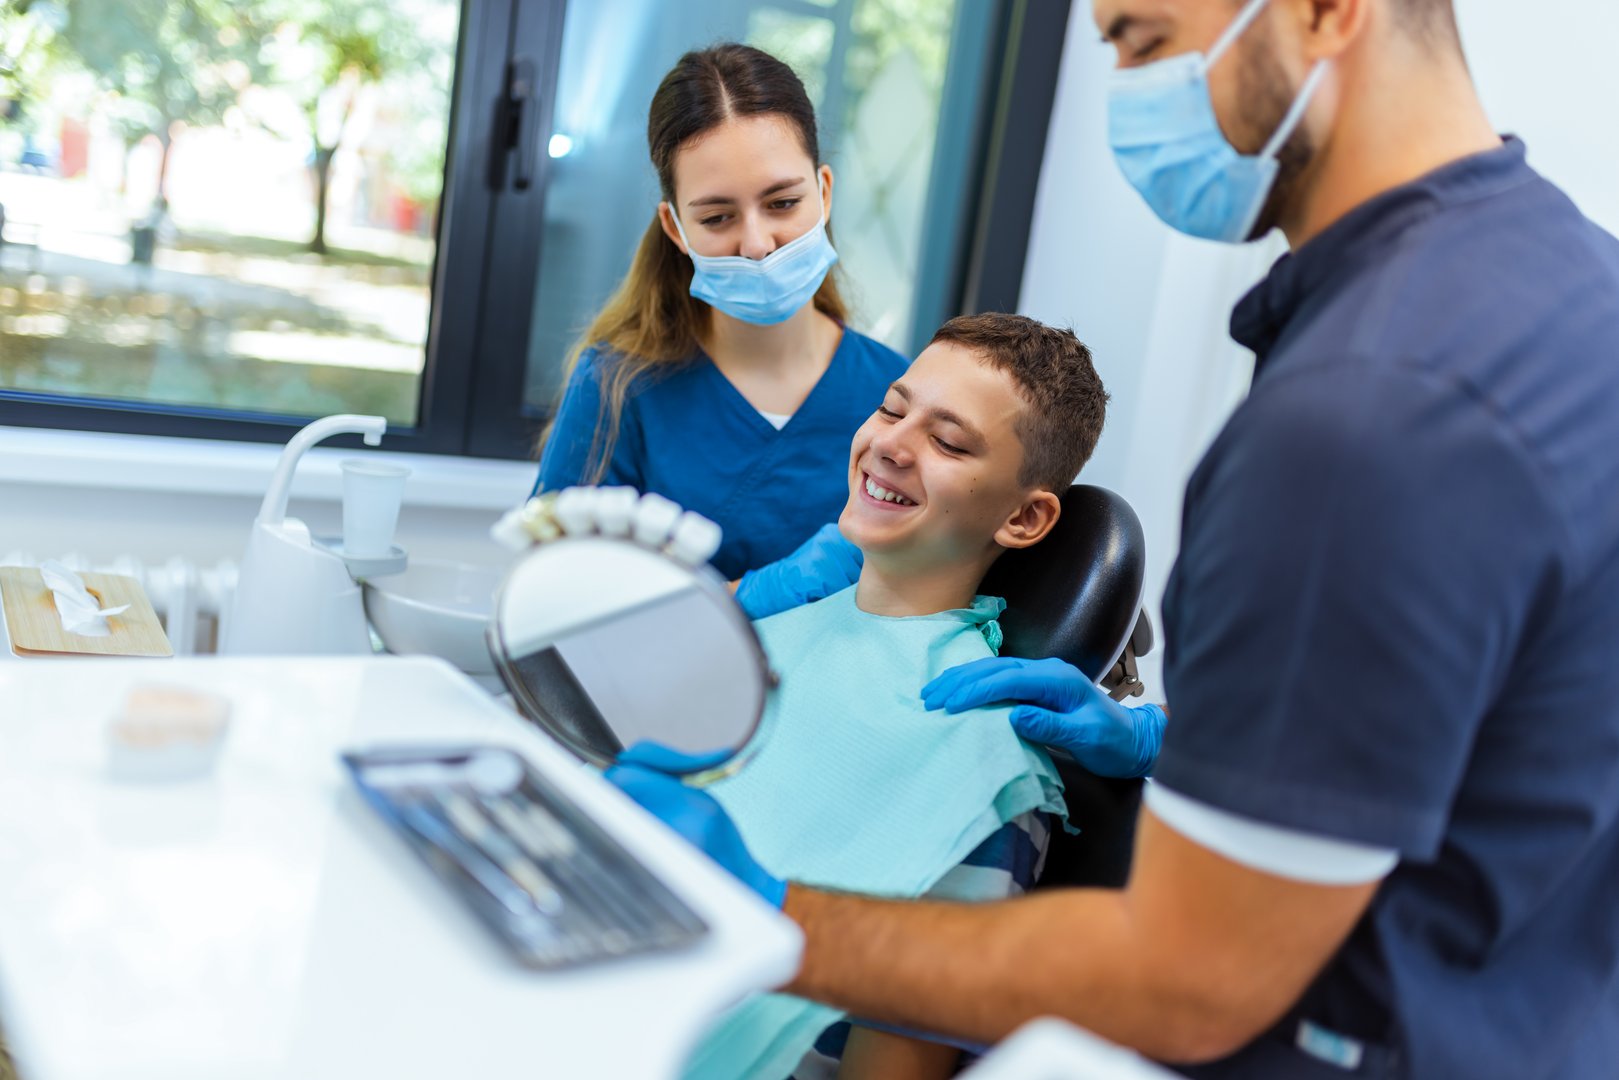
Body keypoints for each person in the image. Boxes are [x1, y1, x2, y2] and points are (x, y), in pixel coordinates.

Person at [610, 0, 1619, 1075]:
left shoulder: (1366, 408)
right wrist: (1166, 737)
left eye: (1142, 43)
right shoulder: (1569, 295)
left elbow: (1187, 983)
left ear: (1325, 13)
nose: (1126, 100)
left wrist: (758, 913)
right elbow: (1470, 732)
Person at [611, 311, 1105, 1080]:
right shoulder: (761, 640)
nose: (891, 444)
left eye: (947, 440)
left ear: (1023, 516)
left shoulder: (984, 763)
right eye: (890, 408)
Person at [534, 44, 907, 608]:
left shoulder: (896, 397)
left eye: (782, 203)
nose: (757, 244)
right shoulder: (618, 384)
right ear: (676, 228)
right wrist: (748, 598)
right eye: (717, 217)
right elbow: (555, 596)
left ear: (824, 193)